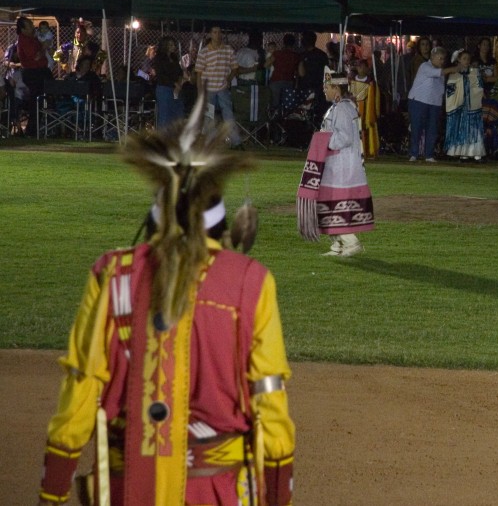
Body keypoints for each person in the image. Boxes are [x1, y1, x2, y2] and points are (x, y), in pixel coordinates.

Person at [38, 92, 295, 506]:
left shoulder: (112, 275)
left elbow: (81, 392)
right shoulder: (251, 282)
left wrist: (52, 493)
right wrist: (279, 496)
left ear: (155, 213)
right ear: (219, 222)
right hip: (218, 492)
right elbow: (272, 410)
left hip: (128, 490)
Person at [297, 70, 375, 257]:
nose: (324, 90)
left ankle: (350, 242)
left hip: (342, 166)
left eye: (326, 87)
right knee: (328, 202)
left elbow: (344, 138)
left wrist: (323, 140)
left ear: (336, 88)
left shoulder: (342, 108)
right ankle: (338, 244)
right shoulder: (342, 107)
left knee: (335, 203)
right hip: (338, 165)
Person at [194, 26, 241, 147]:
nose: (218, 34)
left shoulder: (228, 49)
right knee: (210, 116)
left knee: (228, 114)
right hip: (209, 88)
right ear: (210, 35)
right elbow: (199, 73)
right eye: (215, 32)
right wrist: (200, 91)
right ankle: (212, 141)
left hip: (222, 87)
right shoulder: (204, 51)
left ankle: (235, 141)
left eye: (220, 32)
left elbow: (235, 68)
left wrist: (228, 79)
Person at [444, 49, 486, 159]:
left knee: (473, 128)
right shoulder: (454, 74)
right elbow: (450, 90)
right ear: (459, 59)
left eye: (468, 59)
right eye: (464, 59)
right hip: (459, 107)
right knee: (460, 128)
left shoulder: (474, 73)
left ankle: (476, 152)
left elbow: (479, 88)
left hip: (472, 107)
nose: (467, 61)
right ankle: (462, 153)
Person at [349, 58, 380, 158]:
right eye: (358, 66)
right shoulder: (352, 81)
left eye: (362, 66)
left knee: (365, 130)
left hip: (366, 109)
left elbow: (374, 98)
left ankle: (367, 150)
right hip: (354, 108)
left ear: (367, 68)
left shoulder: (370, 82)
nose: (360, 68)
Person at [297, 31, 330, 123]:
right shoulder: (322, 55)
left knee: (306, 113)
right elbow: (327, 73)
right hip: (320, 89)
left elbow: (301, 73)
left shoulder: (303, 55)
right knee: (318, 115)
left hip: (306, 89)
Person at [153, 36, 185, 128]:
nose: (173, 46)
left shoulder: (174, 58)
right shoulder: (159, 58)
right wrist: (174, 83)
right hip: (164, 88)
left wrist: (179, 83)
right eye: (170, 45)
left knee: (177, 113)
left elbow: (179, 72)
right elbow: (161, 75)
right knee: (165, 115)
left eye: (173, 44)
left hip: (176, 89)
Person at [267, 35, 301, 117]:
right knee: (286, 105)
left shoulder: (277, 53)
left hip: (275, 81)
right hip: (289, 82)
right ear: (294, 43)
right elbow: (299, 72)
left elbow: (266, 64)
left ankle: (273, 122)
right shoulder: (296, 56)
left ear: (283, 42)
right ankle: (284, 121)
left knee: (274, 105)